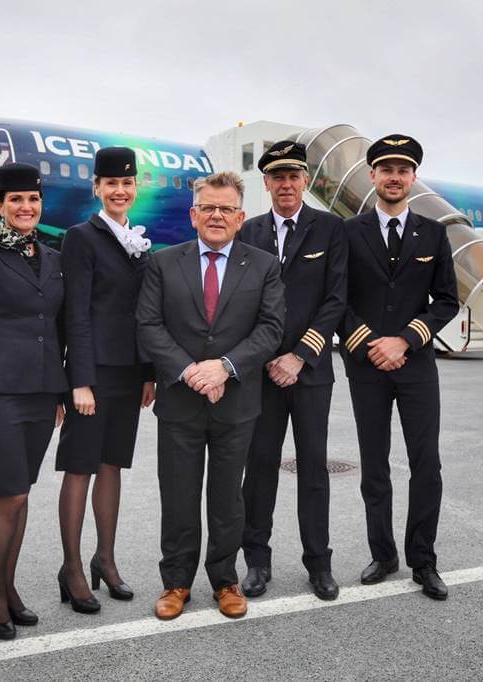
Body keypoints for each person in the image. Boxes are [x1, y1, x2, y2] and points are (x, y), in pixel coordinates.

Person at [136, 171, 284, 621]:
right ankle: (176, 582)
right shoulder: (163, 263)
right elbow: (148, 326)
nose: (216, 215)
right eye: (208, 208)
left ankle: (225, 579)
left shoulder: (263, 266)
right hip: (181, 401)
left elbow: (271, 329)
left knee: (227, 498)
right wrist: (188, 371)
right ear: (193, 215)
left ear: (240, 218)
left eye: (226, 209)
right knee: (179, 495)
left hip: (236, 402)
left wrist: (224, 367)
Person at [341, 135, 458, 600]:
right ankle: (383, 554)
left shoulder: (434, 233)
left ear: (413, 178)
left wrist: (405, 339)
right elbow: (340, 299)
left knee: (425, 463)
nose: (393, 176)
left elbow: (446, 301)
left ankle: (423, 561)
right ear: (372, 176)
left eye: (403, 169)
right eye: (385, 168)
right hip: (367, 365)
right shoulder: (348, 232)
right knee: (374, 465)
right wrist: (371, 343)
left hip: (415, 365)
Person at [0, 162, 67, 640]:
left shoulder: (50, 255)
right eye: (16, 200)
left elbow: (57, 328)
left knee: (22, 496)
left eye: (33, 200)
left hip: (43, 394)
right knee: (10, 495)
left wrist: (60, 389)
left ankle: (8, 585)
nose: (26, 208)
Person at [237, 141, 348, 601]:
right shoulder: (249, 231)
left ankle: (318, 563)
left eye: (293, 176)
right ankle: (257, 563)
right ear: (266, 183)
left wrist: (300, 355)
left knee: (313, 470)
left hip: (309, 373)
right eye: (276, 177)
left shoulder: (330, 230)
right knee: (259, 469)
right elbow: (240, 303)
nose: (285, 184)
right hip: (261, 375)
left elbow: (336, 299)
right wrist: (264, 357)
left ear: (305, 180)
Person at [55, 147, 156, 612]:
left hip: (129, 373)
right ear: (96, 188)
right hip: (91, 376)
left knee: (112, 465)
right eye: (110, 183)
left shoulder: (138, 241)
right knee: (80, 467)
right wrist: (79, 380)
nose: (119, 190)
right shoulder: (82, 237)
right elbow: (74, 312)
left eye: (127, 183)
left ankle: (105, 559)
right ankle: (72, 568)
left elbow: (146, 314)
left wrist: (148, 373)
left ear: (135, 188)